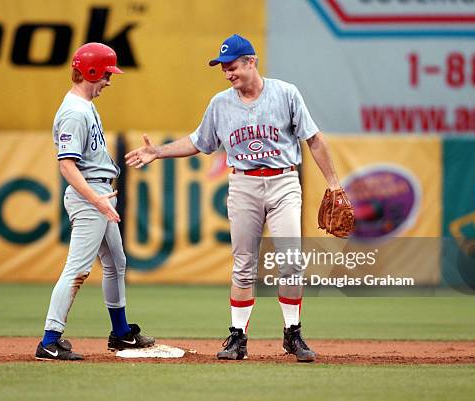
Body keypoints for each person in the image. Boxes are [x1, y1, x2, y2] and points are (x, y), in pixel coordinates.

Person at [125, 34, 344, 362]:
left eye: (233, 67)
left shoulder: (285, 94)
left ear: (251, 62)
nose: (227, 73)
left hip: (284, 181)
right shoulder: (220, 103)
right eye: (223, 68)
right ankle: (237, 338)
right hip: (243, 185)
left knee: (291, 263)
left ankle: (292, 334)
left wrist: (334, 185)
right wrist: (159, 152)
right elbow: (199, 141)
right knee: (243, 265)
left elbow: (313, 139)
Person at [35, 42, 155, 361]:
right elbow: (66, 165)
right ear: (91, 72)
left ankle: (120, 333)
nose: (108, 81)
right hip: (90, 194)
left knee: (116, 263)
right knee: (77, 269)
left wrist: (100, 200)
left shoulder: (84, 105)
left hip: (98, 193)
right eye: (105, 74)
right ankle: (50, 339)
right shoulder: (74, 112)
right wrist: (96, 201)